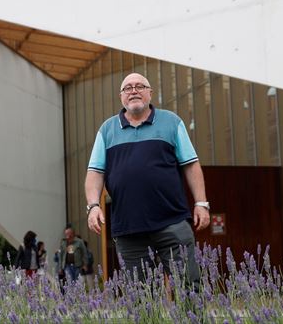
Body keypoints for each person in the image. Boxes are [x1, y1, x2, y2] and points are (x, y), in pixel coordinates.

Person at [85, 72, 210, 288]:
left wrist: (201, 203)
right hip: (129, 229)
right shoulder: (107, 129)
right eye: (127, 88)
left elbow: (191, 164)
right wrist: (93, 206)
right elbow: (95, 172)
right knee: (141, 298)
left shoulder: (172, 122)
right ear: (121, 96)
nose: (133, 90)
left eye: (140, 86)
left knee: (189, 289)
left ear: (150, 93)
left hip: (172, 223)